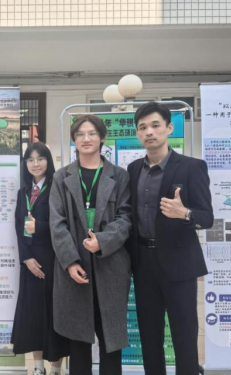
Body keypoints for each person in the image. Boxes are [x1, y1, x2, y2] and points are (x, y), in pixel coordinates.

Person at [127, 102, 213, 375]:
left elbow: (207, 217)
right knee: (149, 334)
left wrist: (185, 213)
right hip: (143, 263)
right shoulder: (132, 169)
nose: (149, 132)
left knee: (184, 333)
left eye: (155, 125)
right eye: (143, 127)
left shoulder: (191, 167)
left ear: (169, 128)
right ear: (137, 133)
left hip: (180, 263)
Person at [50, 114, 132, 375]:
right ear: (74, 140)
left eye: (92, 133)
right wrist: (70, 261)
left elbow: (126, 217)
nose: (86, 139)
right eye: (80, 134)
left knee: (111, 337)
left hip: (111, 263)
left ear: (102, 138)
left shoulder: (119, 176)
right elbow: (56, 222)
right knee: (78, 339)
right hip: (75, 267)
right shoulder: (61, 176)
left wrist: (103, 241)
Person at [11, 142, 68, 375]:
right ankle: (37, 367)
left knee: (55, 316)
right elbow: (18, 228)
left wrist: (40, 227)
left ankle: (55, 368)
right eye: (31, 160)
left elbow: (65, 224)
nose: (36, 164)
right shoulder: (23, 192)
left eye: (40, 159)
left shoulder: (58, 188)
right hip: (31, 263)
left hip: (54, 260)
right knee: (33, 315)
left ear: (48, 161)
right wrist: (26, 258)